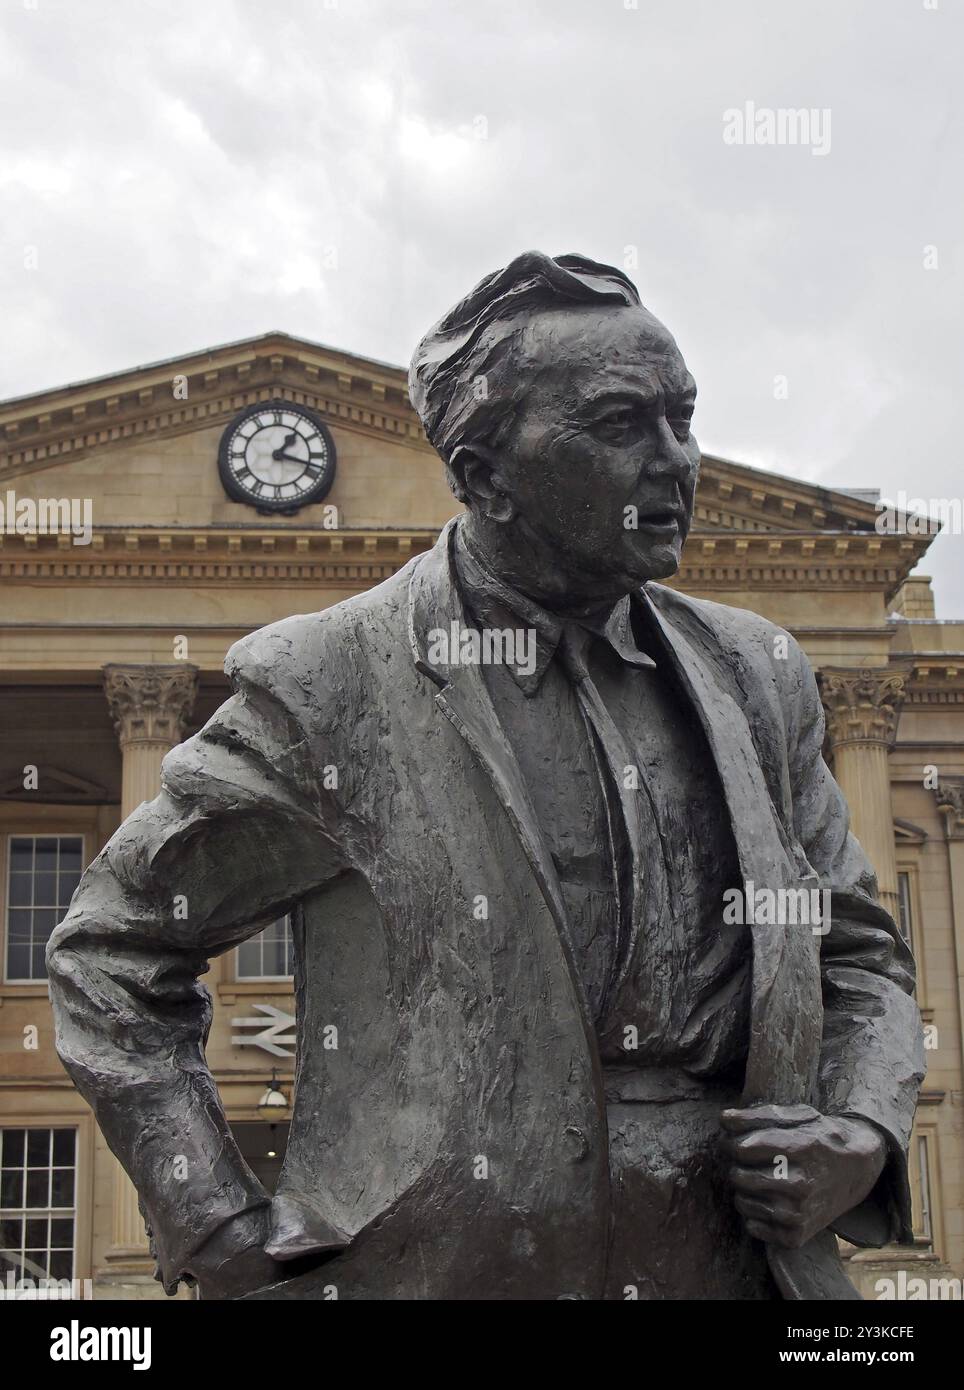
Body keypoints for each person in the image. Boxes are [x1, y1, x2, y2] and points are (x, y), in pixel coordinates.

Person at [47, 251, 924, 1299]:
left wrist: (861, 1130)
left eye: (681, 417)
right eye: (617, 425)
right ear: (482, 473)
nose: (675, 460)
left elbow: (858, 953)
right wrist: (215, 1221)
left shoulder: (756, 672)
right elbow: (109, 956)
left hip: (742, 1268)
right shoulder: (330, 680)